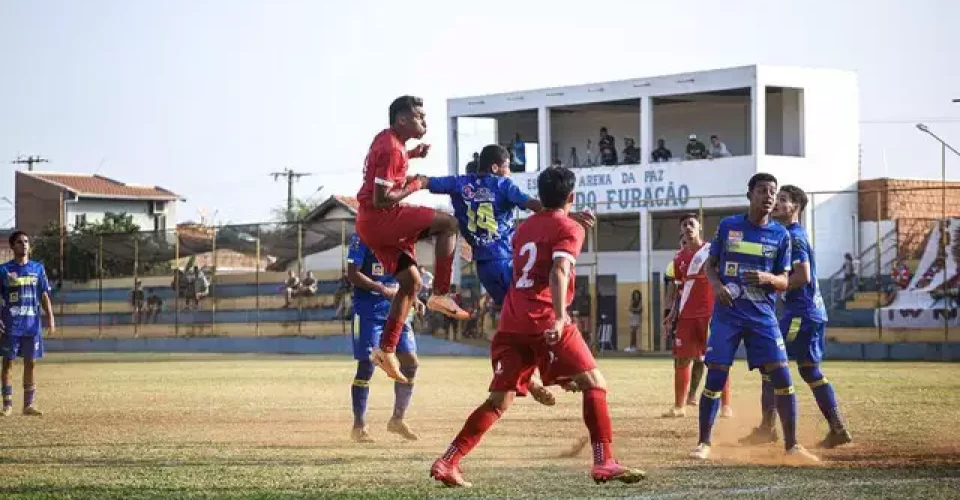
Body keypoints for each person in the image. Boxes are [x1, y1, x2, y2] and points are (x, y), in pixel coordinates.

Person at [430, 167, 644, 487]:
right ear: (571, 197)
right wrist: (559, 317)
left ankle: (448, 461)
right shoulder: (570, 229)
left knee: (498, 401)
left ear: (540, 197)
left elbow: (540, 249)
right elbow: (558, 270)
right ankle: (604, 461)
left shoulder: (524, 229)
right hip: (544, 319)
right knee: (594, 384)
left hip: (512, 322)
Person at [423, 143, 595, 405]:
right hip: (506, 262)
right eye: (507, 167)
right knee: (539, 315)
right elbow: (535, 204)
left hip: (485, 267)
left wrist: (400, 185)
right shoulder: (502, 186)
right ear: (495, 167)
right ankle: (553, 373)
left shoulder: (460, 183)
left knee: (518, 322)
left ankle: (536, 375)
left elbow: (427, 182)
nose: (509, 173)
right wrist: (566, 215)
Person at [689, 173, 817, 462]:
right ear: (750, 195)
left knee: (782, 376)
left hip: (762, 317)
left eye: (772, 191)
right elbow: (711, 265)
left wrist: (768, 278)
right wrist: (717, 286)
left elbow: (786, 280)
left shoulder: (781, 235)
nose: (769, 196)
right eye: (762, 191)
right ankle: (704, 442)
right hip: (728, 316)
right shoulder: (728, 226)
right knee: (716, 376)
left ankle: (792, 445)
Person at [355, 95, 468, 382]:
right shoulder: (393, 148)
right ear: (403, 119)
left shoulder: (389, 141)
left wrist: (412, 154)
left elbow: (387, 168)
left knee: (412, 282)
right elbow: (382, 199)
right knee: (449, 224)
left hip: (370, 225)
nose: (425, 122)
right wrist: (416, 183)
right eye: (420, 116)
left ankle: (385, 350)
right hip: (382, 218)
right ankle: (442, 293)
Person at [740, 185, 853, 449]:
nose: (776, 203)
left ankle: (768, 429)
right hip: (811, 313)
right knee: (809, 370)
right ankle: (837, 428)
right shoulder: (789, 234)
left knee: (771, 365)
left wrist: (772, 282)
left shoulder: (793, 237)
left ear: (796, 207)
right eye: (776, 199)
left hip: (800, 314)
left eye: (783, 200)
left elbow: (803, 277)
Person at [346, 233, 422, 443]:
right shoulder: (363, 237)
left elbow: (408, 274)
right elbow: (352, 274)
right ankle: (359, 426)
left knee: (411, 362)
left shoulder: (402, 238)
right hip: (368, 311)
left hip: (396, 310)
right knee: (368, 366)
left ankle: (398, 419)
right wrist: (382, 289)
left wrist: (414, 297)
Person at [661, 214, 731, 419]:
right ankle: (679, 406)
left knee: (718, 360)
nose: (688, 227)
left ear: (699, 227)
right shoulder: (678, 259)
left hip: (711, 314)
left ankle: (726, 405)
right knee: (682, 359)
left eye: (692, 224)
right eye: (684, 225)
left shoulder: (712, 251)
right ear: (681, 231)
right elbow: (676, 291)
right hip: (686, 317)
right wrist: (670, 315)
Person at [0, 231, 55, 417]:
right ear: (12, 246)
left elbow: (44, 295)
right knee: (7, 363)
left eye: (26, 241)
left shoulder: (38, 269)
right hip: (11, 325)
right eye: (19, 242)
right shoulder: (4, 270)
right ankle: (7, 405)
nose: (24, 244)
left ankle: (28, 405)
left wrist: (50, 317)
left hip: (32, 325)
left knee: (31, 363)